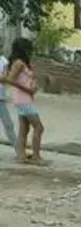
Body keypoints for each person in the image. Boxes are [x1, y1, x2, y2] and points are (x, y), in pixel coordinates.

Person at [5, 37, 45, 165]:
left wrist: (33, 86)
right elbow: (10, 80)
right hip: (23, 98)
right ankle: (36, 156)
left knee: (24, 129)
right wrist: (28, 89)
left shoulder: (22, 63)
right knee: (38, 127)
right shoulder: (18, 63)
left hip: (24, 98)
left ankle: (21, 156)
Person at [0, 48, 18, 147]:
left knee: (8, 124)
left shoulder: (3, 61)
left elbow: (5, 79)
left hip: (1, 98)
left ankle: (19, 150)